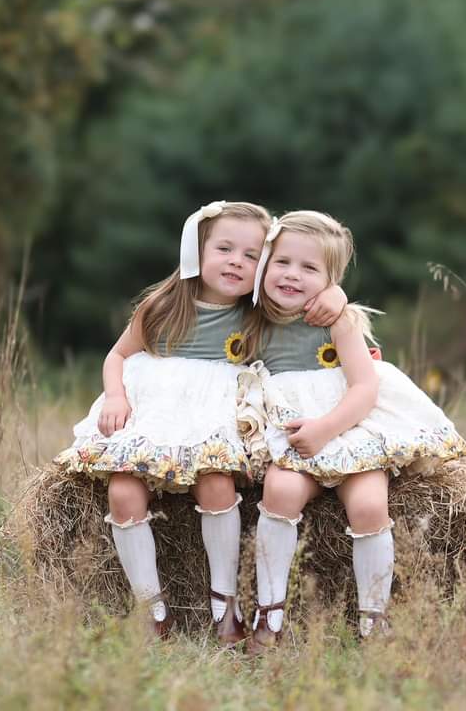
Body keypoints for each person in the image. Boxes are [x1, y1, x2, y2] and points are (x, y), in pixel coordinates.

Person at [53, 201, 346, 642]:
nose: (236, 262)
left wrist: (335, 294)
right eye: (224, 249)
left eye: (251, 256)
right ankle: (151, 612)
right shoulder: (163, 305)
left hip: (210, 423)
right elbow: (117, 354)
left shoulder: (257, 312)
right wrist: (115, 394)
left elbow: (313, 303)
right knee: (123, 491)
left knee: (216, 484)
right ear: (197, 249)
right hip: (152, 417)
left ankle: (224, 607)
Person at [236, 210, 466, 653]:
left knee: (367, 505)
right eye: (282, 262)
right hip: (291, 432)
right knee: (280, 494)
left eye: (310, 269)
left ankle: (374, 623)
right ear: (264, 263)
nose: (292, 275)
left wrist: (326, 428)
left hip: (348, 425)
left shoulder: (335, 320)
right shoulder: (248, 315)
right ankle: (270, 615)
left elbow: (365, 387)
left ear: (331, 278)